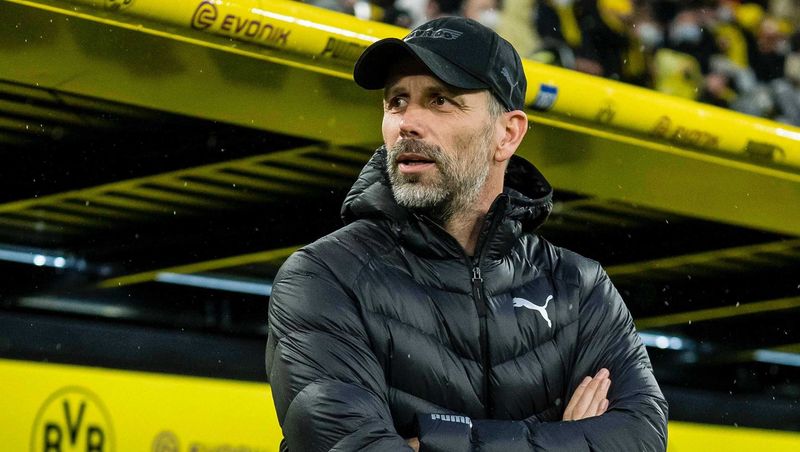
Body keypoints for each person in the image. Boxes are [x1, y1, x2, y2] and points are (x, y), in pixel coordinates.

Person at [265, 16, 668, 451]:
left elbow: (640, 437)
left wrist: (434, 442)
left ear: (507, 134)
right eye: (397, 101)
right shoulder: (324, 276)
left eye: (440, 100)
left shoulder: (580, 286)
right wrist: (571, 440)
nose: (407, 123)